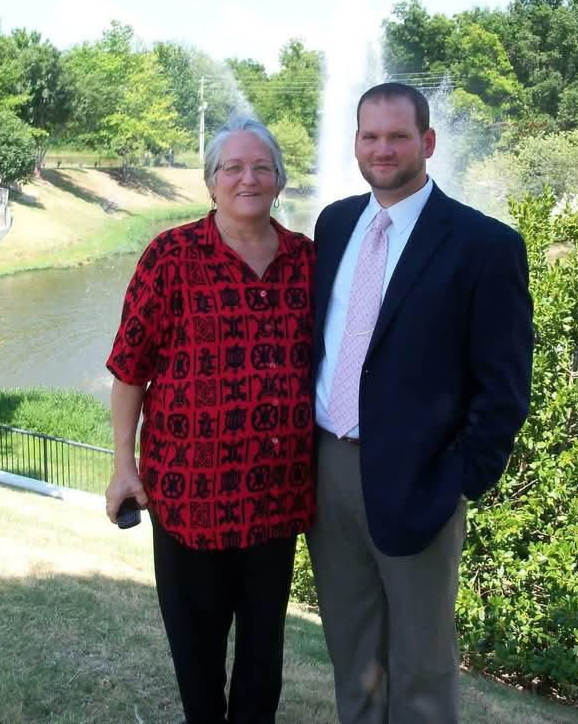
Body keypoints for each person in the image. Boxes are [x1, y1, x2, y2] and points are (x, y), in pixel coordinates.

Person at [308, 82, 534, 724]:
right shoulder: (336, 222)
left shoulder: (484, 245)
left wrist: (459, 479)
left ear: (427, 142)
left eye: (398, 136)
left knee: (422, 662)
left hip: (421, 479)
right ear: (355, 142)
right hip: (327, 468)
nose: (382, 149)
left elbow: (505, 385)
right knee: (352, 648)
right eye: (369, 136)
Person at [103, 116, 316, 724]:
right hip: (188, 498)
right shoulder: (170, 257)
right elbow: (128, 370)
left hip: (275, 500)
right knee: (198, 664)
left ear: (278, 180)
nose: (247, 178)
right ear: (211, 182)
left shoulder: (307, 262)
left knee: (261, 662)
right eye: (233, 167)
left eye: (261, 167)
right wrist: (124, 467)